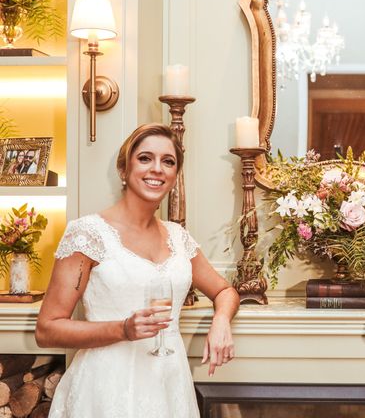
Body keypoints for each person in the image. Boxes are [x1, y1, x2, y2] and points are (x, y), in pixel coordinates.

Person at [36, 123, 240, 418]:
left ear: (174, 176)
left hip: (169, 385)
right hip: (106, 390)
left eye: (167, 161)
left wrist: (221, 320)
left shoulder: (178, 237)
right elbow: (47, 329)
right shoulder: (88, 234)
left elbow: (224, 290)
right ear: (123, 169)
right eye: (145, 158)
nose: (157, 168)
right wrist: (123, 329)